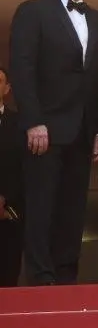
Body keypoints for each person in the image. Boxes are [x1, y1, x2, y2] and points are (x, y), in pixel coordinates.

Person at [8, 0, 98, 285]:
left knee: (73, 211)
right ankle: (41, 280)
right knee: (41, 209)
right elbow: (22, 69)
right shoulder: (32, 11)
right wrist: (33, 120)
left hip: (82, 132)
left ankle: (67, 280)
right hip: (45, 130)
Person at [0, 66, 25, 286]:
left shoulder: (19, 124)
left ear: (7, 88)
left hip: (9, 214)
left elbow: (21, 167)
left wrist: (4, 199)